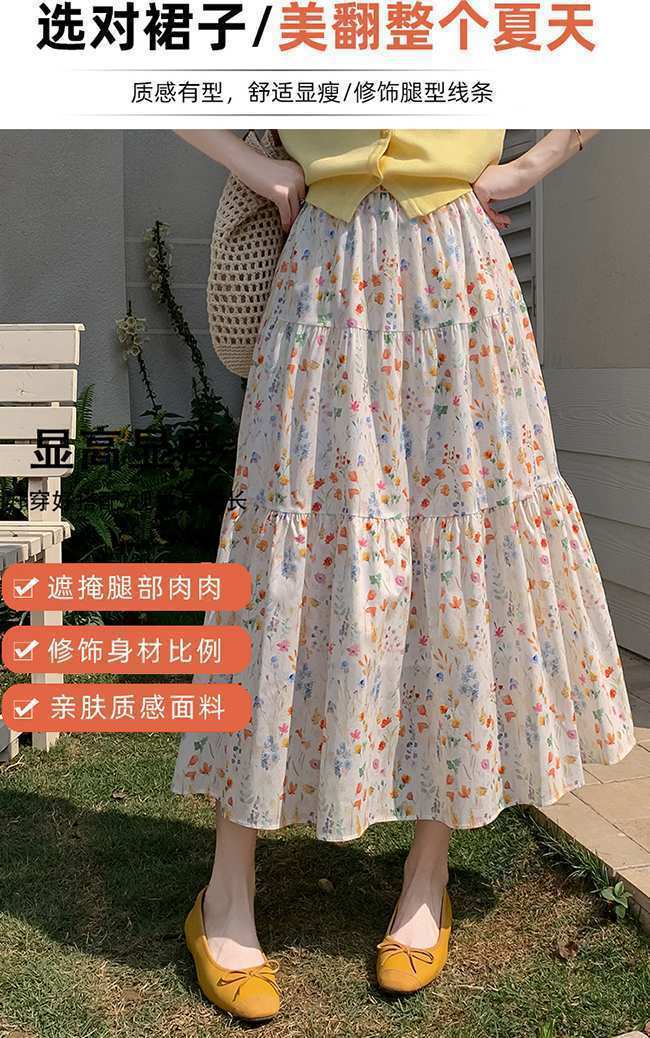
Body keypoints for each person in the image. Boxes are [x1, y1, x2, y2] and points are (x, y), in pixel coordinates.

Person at [171, 128, 636, 1022]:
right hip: (324, 268)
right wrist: (259, 167)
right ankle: (226, 890)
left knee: (458, 565)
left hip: (459, 275)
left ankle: (427, 879)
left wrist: (529, 166)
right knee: (285, 558)